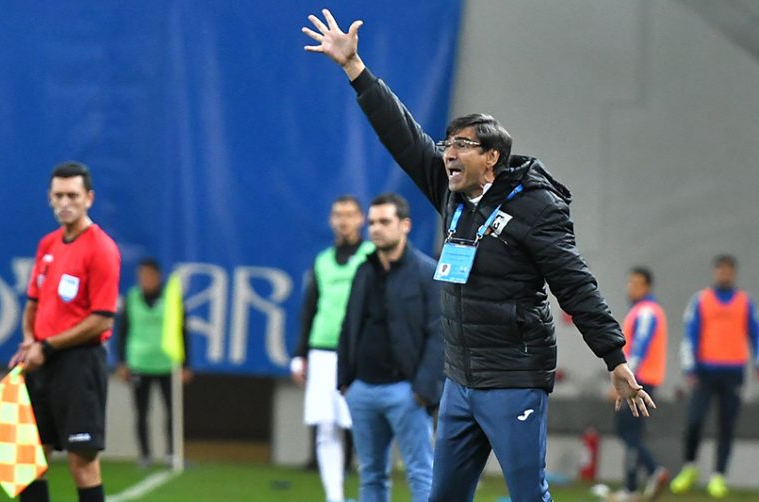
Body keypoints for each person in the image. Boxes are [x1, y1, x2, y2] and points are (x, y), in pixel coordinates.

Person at [302, 11, 654, 501]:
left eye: (462, 144)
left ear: (492, 157)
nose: (448, 152)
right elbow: (402, 134)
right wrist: (355, 70)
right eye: (448, 143)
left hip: (513, 379)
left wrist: (614, 358)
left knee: (528, 495)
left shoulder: (535, 209)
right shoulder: (451, 194)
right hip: (460, 381)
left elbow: (576, 286)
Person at [9, 161, 120, 502]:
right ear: (49, 198)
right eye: (58, 195)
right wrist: (30, 342)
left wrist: (48, 346)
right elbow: (33, 303)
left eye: (72, 195)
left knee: (82, 464)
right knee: (24, 461)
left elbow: (102, 319)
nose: (64, 203)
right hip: (41, 361)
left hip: (79, 364)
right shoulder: (48, 244)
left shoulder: (101, 248)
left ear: (89, 198)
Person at [337, 193, 444, 502]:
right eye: (372, 222)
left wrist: (423, 390)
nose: (376, 228)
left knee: (421, 473)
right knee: (370, 475)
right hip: (362, 390)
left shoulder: (426, 273)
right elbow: (349, 326)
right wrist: (345, 381)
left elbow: (440, 334)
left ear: (405, 225)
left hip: (406, 393)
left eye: (384, 221)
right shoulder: (363, 270)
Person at [290, 195, 375, 502]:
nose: (343, 220)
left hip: (358, 351)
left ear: (361, 219)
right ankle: (334, 497)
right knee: (326, 428)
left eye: (350, 214)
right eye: (338, 214)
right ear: (331, 220)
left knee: (362, 426)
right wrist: (300, 354)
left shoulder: (371, 256)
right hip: (322, 351)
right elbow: (309, 308)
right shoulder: (323, 260)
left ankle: (369, 494)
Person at [670, 254, 759, 499]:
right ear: (715, 272)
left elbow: (756, 335)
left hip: (733, 373)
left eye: (728, 270)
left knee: (726, 425)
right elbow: (690, 334)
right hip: (705, 372)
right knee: (694, 421)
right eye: (720, 270)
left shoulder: (745, 302)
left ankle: (719, 475)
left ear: (734, 273)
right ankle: (689, 467)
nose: (724, 274)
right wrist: (689, 367)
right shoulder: (701, 300)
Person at [115, 258, 192, 468]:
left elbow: (183, 331)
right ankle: (145, 454)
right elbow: (122, 331)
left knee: (172, 411)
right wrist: (122, 361)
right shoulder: (131, 298)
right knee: (141, 411)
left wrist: (186, 364)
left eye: (149, 275)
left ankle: (172, 454)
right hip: (139, 362)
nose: (145, 279)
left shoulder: (171, 299)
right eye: (142, 275)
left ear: (158, 276)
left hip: (167, 363)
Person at [608, 267, 669, 502]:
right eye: (630, 283)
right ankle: (641, 480)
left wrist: (626, 379)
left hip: (639, 380)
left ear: (647, 286)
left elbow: (640, 346)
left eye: (637, 284)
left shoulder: (646, 311)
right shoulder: (643, 310)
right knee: (629, 432)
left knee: (628, 432)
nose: (631, 288)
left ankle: (640, 481)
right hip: (642, 379)